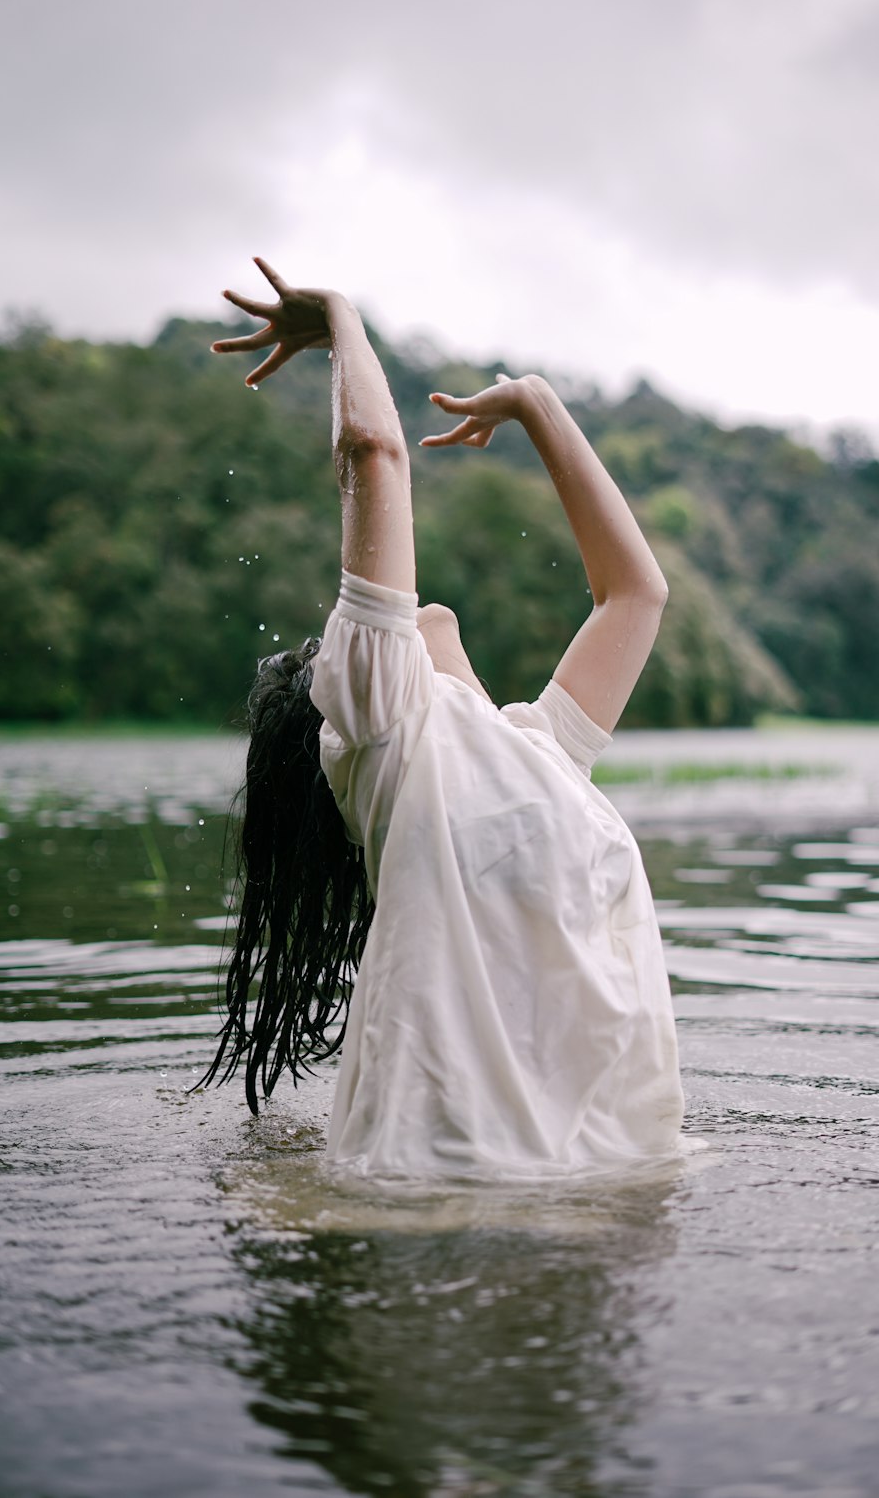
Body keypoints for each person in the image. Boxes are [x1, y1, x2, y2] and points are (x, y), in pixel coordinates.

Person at [201, 258, 684, 1176]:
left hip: (597, 1193)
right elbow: (374, 456)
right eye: (335, 645)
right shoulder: (382, 736)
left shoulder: (538, 752)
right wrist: (340, 315)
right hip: (442, 1194)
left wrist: (538, 405)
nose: (346, 636)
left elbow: (634, 594)